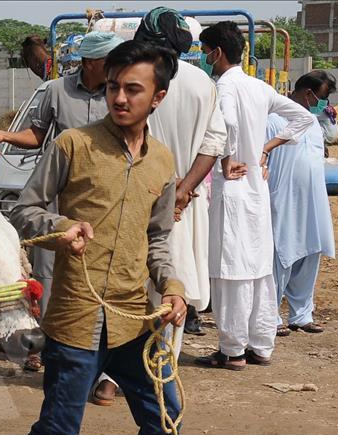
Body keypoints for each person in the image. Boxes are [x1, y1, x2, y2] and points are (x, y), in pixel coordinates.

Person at [0, 41, 193, 435]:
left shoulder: (163, 161)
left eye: (132, 89)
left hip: (136, 318)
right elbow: (22, 212)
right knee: (59, 430)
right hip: (76, 316)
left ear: (157, 97)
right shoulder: (73, 145)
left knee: (165, 419)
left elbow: (158, 240)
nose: (118, 97)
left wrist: (175, 287)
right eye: (113, 86)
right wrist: (62, 228)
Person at [0, 30, 124, 375]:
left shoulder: (117, 95)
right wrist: (4, 135)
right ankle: (39, 344)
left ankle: (94, 346)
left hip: (101, 195)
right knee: (46, 268)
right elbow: (37, 136)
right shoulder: (56, 91)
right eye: (109, 62)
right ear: (91, 63)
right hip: (56, 192)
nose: (115, 70)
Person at [192, 22, 314, 371]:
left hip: (232, 188)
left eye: (204, 51)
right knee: (259, 270)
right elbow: (303, 117)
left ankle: (232, 349)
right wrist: (265, 150)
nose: (203, 57)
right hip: (256, 192)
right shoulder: (259, 87)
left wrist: (229, 157)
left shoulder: (223, 87)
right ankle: (261, 345)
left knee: (230, 271)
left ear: (216, 52)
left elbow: (227, 122)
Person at [134, 7, 227, 348]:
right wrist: (183, 190)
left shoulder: (132, 81)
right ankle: (165, 366)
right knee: (175, 287)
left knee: (131, 288)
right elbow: (214, 142)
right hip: (182, 207)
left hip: (135, 202)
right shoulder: (202, 82)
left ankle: (112, 378)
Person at [268, 72, 337, 337]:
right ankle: (270, 316)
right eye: (322, 97)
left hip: (314, 201)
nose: (324, 103)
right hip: (283, 200)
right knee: (280, 257)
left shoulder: (313, 123)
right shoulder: (274, 120)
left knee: (310, 255)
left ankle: (302, 315)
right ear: (308, 93)